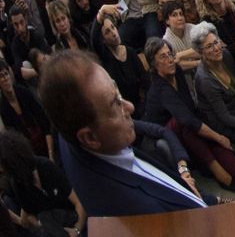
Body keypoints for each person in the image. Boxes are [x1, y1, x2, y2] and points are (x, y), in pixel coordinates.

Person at [41, 50, 207, 216]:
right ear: (90, 138)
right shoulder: (140, 211)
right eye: (115, 104)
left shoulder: (73, 127)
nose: (129, 107)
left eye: (118, 92)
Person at [142, 37, 235, 191]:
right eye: (163, 56)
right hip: (165, 136)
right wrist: (218, 137)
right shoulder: (159, 88)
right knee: (186, 125)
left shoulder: (177, 73)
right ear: (154, 64)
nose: (170, 60)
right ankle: (218, 171)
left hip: (188, 130)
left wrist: (216, 137)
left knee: (208, 136)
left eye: (170, 54)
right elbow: (187, 119)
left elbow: (190, 109)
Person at [0, 130, 86, 233]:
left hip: (74, 220)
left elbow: (78, 202)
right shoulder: (17, 183)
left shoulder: (46, 167)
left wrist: (76, 230)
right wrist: (42, 225)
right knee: (44, 217)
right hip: (53, 228)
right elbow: (29, 215)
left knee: (45, 216)